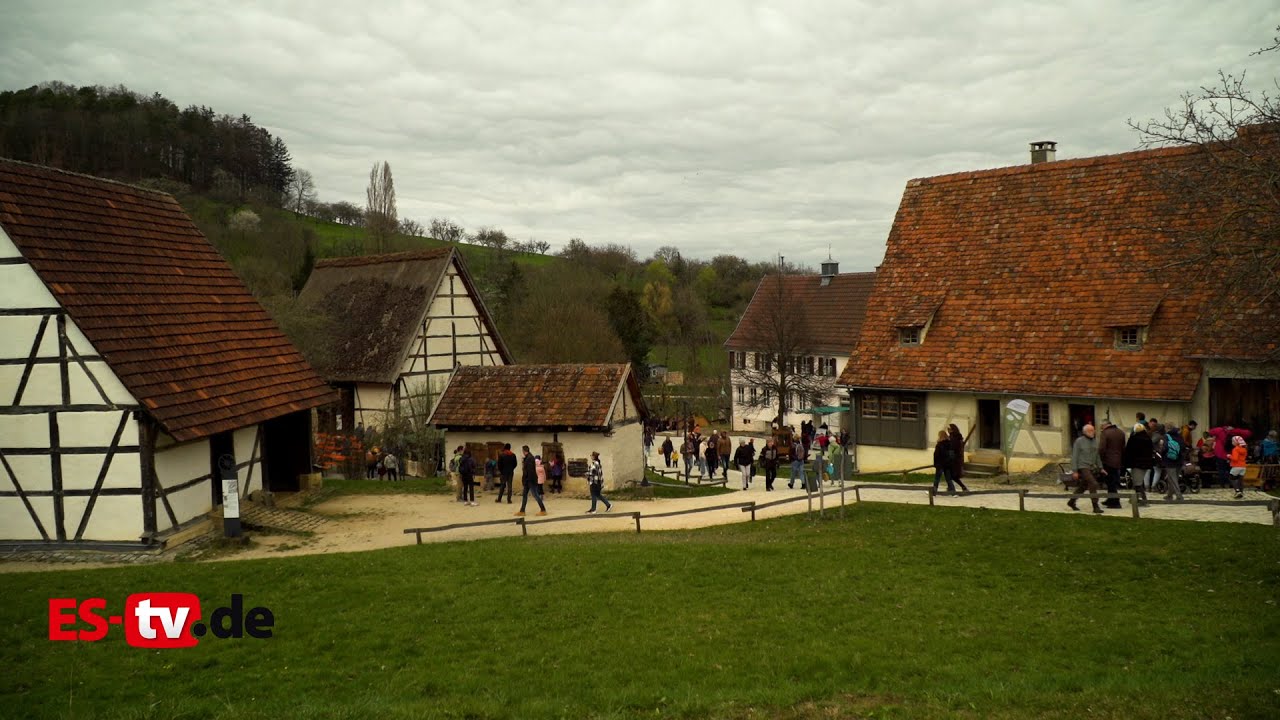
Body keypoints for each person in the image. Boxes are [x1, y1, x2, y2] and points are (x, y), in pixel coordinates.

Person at [1069, 423, 1104, 513]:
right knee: (1093, 483)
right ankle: (1095, 506)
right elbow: (1075, 456)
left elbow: (1097, 456)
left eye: (1093, 430)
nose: (1093, 432)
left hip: (1092, 467)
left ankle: (1071, 501)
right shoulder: (1079, 441)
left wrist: (1101, 468)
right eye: (1091, 430)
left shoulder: (1095, 441)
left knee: (1083, 486)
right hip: (1083, 466)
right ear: (1085, 432)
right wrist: (1075, 471)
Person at [1097, 420, 1127, 508]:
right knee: (1113, 481)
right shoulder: (1121, 432)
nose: (1101, 428)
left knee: (1110, 482)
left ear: (1104, 425)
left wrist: (1100, 459)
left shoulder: (1105, 433)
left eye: (1101, 426)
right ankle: (1110, 499)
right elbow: (1123, 447)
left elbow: (1102, 448)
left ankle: (1115, 502)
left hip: (1108, 461)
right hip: (1118, 461)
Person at [1152, 423, 1183, 502]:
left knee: (1173, 479)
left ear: (1167, 429)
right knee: (1171, 478)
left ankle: (1179, 495)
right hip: (1179, 460)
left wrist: (1160, 450)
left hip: (1169, 460)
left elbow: (1164, 448)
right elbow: (1183, 447)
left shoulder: (1166, 437)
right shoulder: (1179, 436)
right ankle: (1169, 495)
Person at [1124, 423, 1154, 495]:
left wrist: (1126, 463)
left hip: (1136, 463)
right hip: (1146, 463)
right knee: (1138, 481)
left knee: (1137, 483)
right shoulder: (1148, 438)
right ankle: (1134, 499)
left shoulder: (1133, 439)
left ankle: (1142, 500)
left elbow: (1128, 451)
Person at [516, 445, 547, 516]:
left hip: (530, 480)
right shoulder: (528, 457)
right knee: (524, 495)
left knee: (535, 495)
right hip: (528, 480)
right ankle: (522, 511)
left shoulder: (529, 458)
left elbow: (530, 471)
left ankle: (543, 510)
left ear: (524, 451)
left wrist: (527, 480)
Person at [947, 423, 970, 493]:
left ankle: (961, 487)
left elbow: (952, 449)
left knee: (952, 475)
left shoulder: (955, 438)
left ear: (952, 430)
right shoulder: (953, 437)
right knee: (950, 475)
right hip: (954, 459)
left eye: (949, 429)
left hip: (954, 460)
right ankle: (952, 487)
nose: (948, 430)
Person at [932, 429, 956, 494]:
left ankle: (934, 491)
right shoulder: (950, 444)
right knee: (948, 479)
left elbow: (936, 455)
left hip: (940, 464)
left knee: (937, 478)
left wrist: (935, 464)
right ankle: (953, 491)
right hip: (947, 464)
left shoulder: (939, 445)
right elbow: (952, 454)